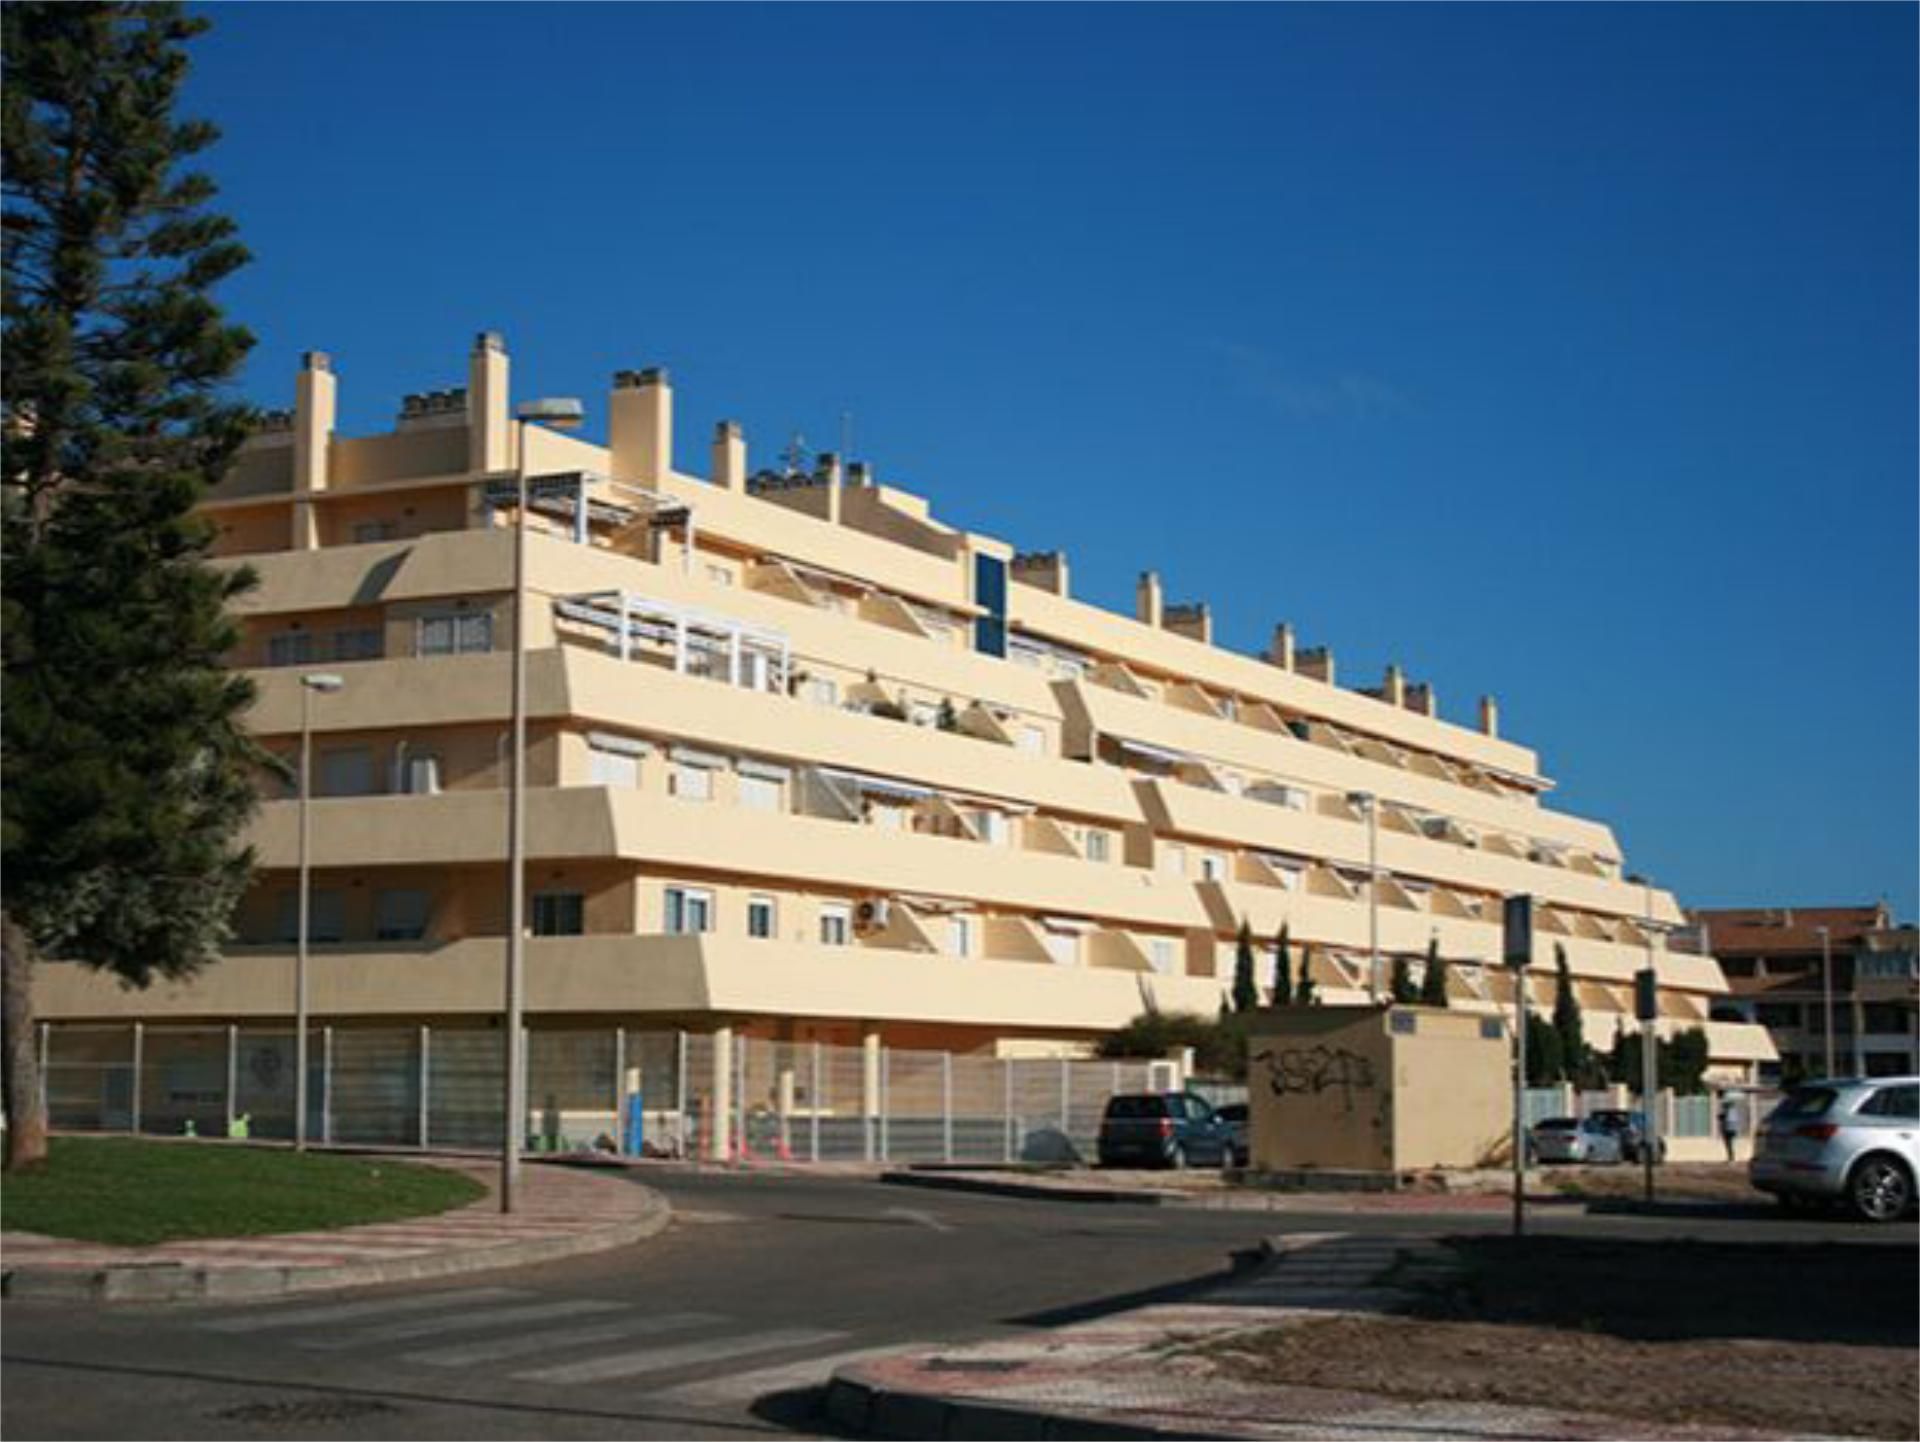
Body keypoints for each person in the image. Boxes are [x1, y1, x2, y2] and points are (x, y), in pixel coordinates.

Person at [1718, 1092, 1741, 1163]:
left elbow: (1722, 1117)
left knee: (1729, 1144)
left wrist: (1720, 1117)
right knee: (1729, 1144)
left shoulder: (1728, 1110)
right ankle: (1731, 1158)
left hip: (1728, 1128)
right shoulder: (1733, 1110)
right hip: (1732, 1128)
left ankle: (1731, 1158)